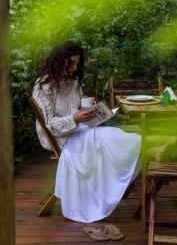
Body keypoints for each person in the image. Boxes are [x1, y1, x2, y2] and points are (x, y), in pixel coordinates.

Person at [31, 40, 141, 223]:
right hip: (56, 137)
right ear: (59, 61)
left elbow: (78, 107)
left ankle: (146, 142)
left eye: (77, 63)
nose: (74, 68)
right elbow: (50, 125)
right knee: (107, 137)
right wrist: (76, 118)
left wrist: (91, 112)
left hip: (79, 130)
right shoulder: (42, 87)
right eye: (71, 63)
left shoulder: (72, 82)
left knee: (111, 135)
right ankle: (149, 144)